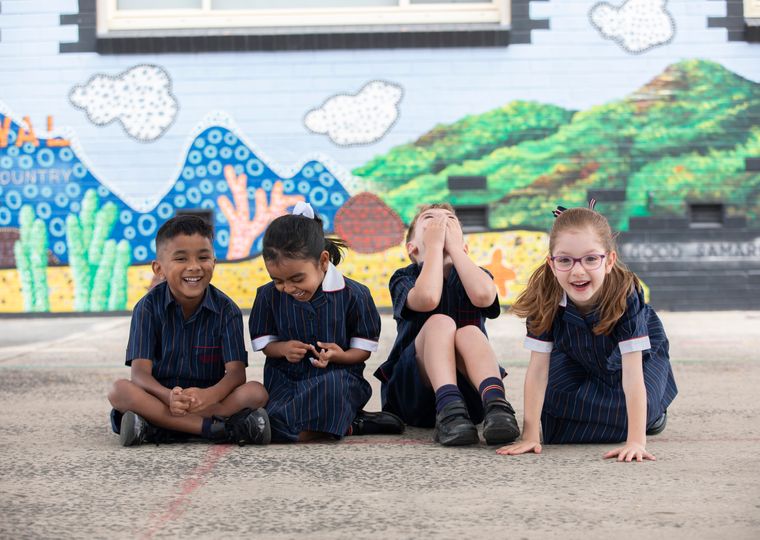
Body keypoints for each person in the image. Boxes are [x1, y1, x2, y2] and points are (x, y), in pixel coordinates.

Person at [497, 203, 678, 462]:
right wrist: (530, 435)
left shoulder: (625, 295)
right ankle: (612, 419)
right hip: (575, 356)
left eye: (591, 258)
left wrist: (636, 441)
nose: (578, 271)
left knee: (643, 405)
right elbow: (538, 370)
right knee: (552, 417)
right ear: (551, 263)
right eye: (565, 260)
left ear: (609, 261)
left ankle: (648, 418)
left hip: (631, 362)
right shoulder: (546, 297)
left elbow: (632, 373)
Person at [108, 215, 270, 446]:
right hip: (162, 399)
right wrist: (168, 397)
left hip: (209, 401)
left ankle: (155, 429)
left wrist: (209, 395)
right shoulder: (147, 308)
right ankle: (214, 430)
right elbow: (140, 374)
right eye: (181, 258)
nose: (194, 267)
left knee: (256, 392)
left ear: (214, 262)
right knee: (119, 391)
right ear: (159, 268)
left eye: (203, 257)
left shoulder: (227, 310)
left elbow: (236, 374)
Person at [249, 202, 404, 442]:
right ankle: (346, 424)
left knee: (332, 390)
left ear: (323, 261)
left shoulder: (355, 294)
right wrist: (283, 349)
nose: (288, 288)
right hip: (287, 378)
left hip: (337, 377)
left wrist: (340, 356)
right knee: (275, 410)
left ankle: (332, 426)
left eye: (297, 278)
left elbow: (363, 349)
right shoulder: (268, 296)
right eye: (278, 280)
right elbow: (265, 342)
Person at [374, 203, 520, 446]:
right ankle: (448, 405)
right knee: (440, 322)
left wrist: (454, 249)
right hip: (413, 394)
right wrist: (433, 248)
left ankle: (497, 406)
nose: (441, 224)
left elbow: (484, 296)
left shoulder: (476, 274)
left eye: (450, 221)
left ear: (464, 245)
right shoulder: (404, 278)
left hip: (471, 403)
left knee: (469, 332)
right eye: (430, 219)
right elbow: (428, 298)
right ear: (412, 248)